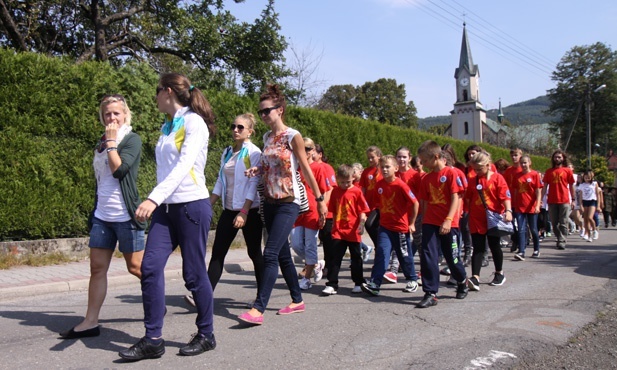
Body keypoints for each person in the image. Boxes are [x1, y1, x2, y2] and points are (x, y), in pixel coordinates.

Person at [119, 73, 217, 361]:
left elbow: (184, 165)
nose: (155, 97)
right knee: (149, 268)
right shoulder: (167, 126)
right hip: (166, 208)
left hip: (191, 205)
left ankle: (207, 333)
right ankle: (153, 339)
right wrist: (158, 200)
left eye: (157, 91)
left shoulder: (193, 122)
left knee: (194, 273)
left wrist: (153, 197)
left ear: (169, 91)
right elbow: (165, 170)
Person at [237, 84, 327, 325]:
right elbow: (269, 165)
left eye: (267, 111)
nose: (264, 115)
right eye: (262, 111)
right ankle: (297, 300)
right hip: (270, 201)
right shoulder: (267, 137)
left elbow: (305, 169)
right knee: (284, 255)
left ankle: (258, 309)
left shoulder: (292, 136)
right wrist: (258, 168)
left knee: (271, 253)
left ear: (280, 110)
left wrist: (319, 201)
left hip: (290, 201)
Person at [60, 94, 146, 339]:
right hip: (102, 216)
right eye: (107, 114)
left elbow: (119, 170)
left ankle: (155, 303)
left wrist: (111, 143)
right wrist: (107, 142)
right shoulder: (101, 142)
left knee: (136, 267)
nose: (112, 118)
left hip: (126, 216)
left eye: (116, 113)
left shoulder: (132, 139)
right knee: (97, 268)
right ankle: (90, 321)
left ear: (125, 115)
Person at [183, 113, 264, 307]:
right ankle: (203, 296)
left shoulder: (253, 153)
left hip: (249, 211)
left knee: (255, 253)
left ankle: (262, 296)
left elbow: (253, 183)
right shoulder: (227, 152)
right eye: (233, 126)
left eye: (240, 127)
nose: (235, 130)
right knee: (218, 253)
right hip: (229, 210)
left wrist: (244, 212)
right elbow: (221, 180)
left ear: (250, 132)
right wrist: (207, 203)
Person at [415, 141, 468, 308]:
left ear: (436, 157)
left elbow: (456, 198)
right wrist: (423, 221)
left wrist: (449, 219)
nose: (422, 164)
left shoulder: (452, 173)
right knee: (428, 256)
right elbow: (424, 201)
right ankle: (430, 292)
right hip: (430, 221)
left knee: (452, 257)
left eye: (424, 160)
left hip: (449, 223)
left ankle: (462, 281)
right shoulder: (427, 178)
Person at [362, 155, 419, 296]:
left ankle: (412, 279)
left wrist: (412, 223)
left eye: (388, 167)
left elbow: (415, 203)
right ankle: (375, 283)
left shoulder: (401, 185)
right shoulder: (379, 185)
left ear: (396, 168)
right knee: (381, 252)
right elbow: (378, 204)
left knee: (404, 255)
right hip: (385, 227)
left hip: (400, 228)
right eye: (382, 167)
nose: (385, 169)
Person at [464, 151, 512, 291]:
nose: (477, 172)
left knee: (494, 245)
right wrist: (466, 212)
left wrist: (508, 211)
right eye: (474, 169)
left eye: (479, 169)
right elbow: (468, 198)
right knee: (477, 248)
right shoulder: (473, 180)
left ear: (487, 165)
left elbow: (505, 196)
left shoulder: (498, 178)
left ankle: (499, 273)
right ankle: (475, 277)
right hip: (476, 218)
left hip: (493, 218)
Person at [322, 164, 370, 295]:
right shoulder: (335, 191)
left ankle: (358, 282)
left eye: (348, 182)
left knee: (356, 258)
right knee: (334, 258)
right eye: (342, 182)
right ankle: (332, 284)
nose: (345, 184)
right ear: (337, 179)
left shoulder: (357, 191)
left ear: (353, 177)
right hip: (338, 230)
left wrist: (361, 223)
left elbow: (362, 210)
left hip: (353, 231)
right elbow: (331, 209)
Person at [290, 137, 328, 290]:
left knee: (310, 245)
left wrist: (323, 211)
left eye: (307, 149)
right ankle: (316, 263)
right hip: (297, 210)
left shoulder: (318, 168)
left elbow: (325, 191)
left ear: (312, 151)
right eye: (300, 148)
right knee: (296, 244)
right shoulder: (295, 167)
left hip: (313, 210)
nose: (303, 151)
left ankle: (306, 278)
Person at [384, 146, 418, 284]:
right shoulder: (393, 175)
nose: (401, 159)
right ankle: (393, 271)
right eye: (399, 156)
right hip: (396, 216)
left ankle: (414, 274)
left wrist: (413, 221)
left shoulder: (415, 175)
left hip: (413, 216)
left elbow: (418, 198)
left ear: (410, 158)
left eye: (404, 157)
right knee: (399, 246)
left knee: (409, 247)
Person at [541, 150, 575, 250]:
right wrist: (540, 199)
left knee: (563, 222)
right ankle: (559, 237)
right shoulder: (549, 172)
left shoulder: (567, 171)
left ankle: (562, 240)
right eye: (555, 157)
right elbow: (544, 186)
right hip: (552, 200)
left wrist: (573, 199)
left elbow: (571, 185)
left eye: (559, 157)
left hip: (564, 200)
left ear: (563, 158)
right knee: (554, 223)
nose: (557, 159)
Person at [512, 155, 543, 260]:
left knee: (533, 229)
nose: (523, 165)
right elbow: (516, 191)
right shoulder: (517, 176)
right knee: (521, 229)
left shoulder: (534, 175)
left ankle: (536, 249)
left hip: (531, 206)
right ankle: (521, 251)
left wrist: (538, 205)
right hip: (520, 207)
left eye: (525, 163)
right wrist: (514, 204)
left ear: (530, 163)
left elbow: (538, 191)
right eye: (522, 163)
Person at [360, 146, 383, 253]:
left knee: (369, 224)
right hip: (369, 204)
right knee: (373, 226)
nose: (370, 160)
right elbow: (363, 189)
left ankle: (381, 246)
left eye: (372, 157)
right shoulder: (366, 172)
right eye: (368, 158)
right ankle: (380, 247)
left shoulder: (384, 169)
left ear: (379, 156)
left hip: (380, 205)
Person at [503, 149, 523, 253]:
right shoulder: (508, 171)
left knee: (521, 224)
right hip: (510, 201)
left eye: (516, 155)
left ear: (520, 155)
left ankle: (521, 243)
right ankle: (515, 240)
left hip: (520, 201)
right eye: (512, 156)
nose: (514, 158)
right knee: (510, 224)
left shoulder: (522, 169)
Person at [353, 162, 373, 262]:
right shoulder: (350, 183)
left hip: (360, 212)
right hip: (352, 212)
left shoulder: (361, 185)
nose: (352, 174)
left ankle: (357, 256)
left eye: (354, 171)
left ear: (361, 172)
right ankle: (365, 248)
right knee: (352, 235)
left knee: (354, 234)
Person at [577, 170, 602, 242]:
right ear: (583, 177)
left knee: (590, 217)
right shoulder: (582, 185)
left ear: (591, 177)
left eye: (588, 177)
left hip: (592, 201)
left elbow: (598, 194)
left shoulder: (594, 184)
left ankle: (595, 231)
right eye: (585, 177)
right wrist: (581, 205)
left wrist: (598, 205)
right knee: (586, 219)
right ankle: (589, 235)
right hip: (585, 202)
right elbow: (580, 196)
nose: (587, 179)